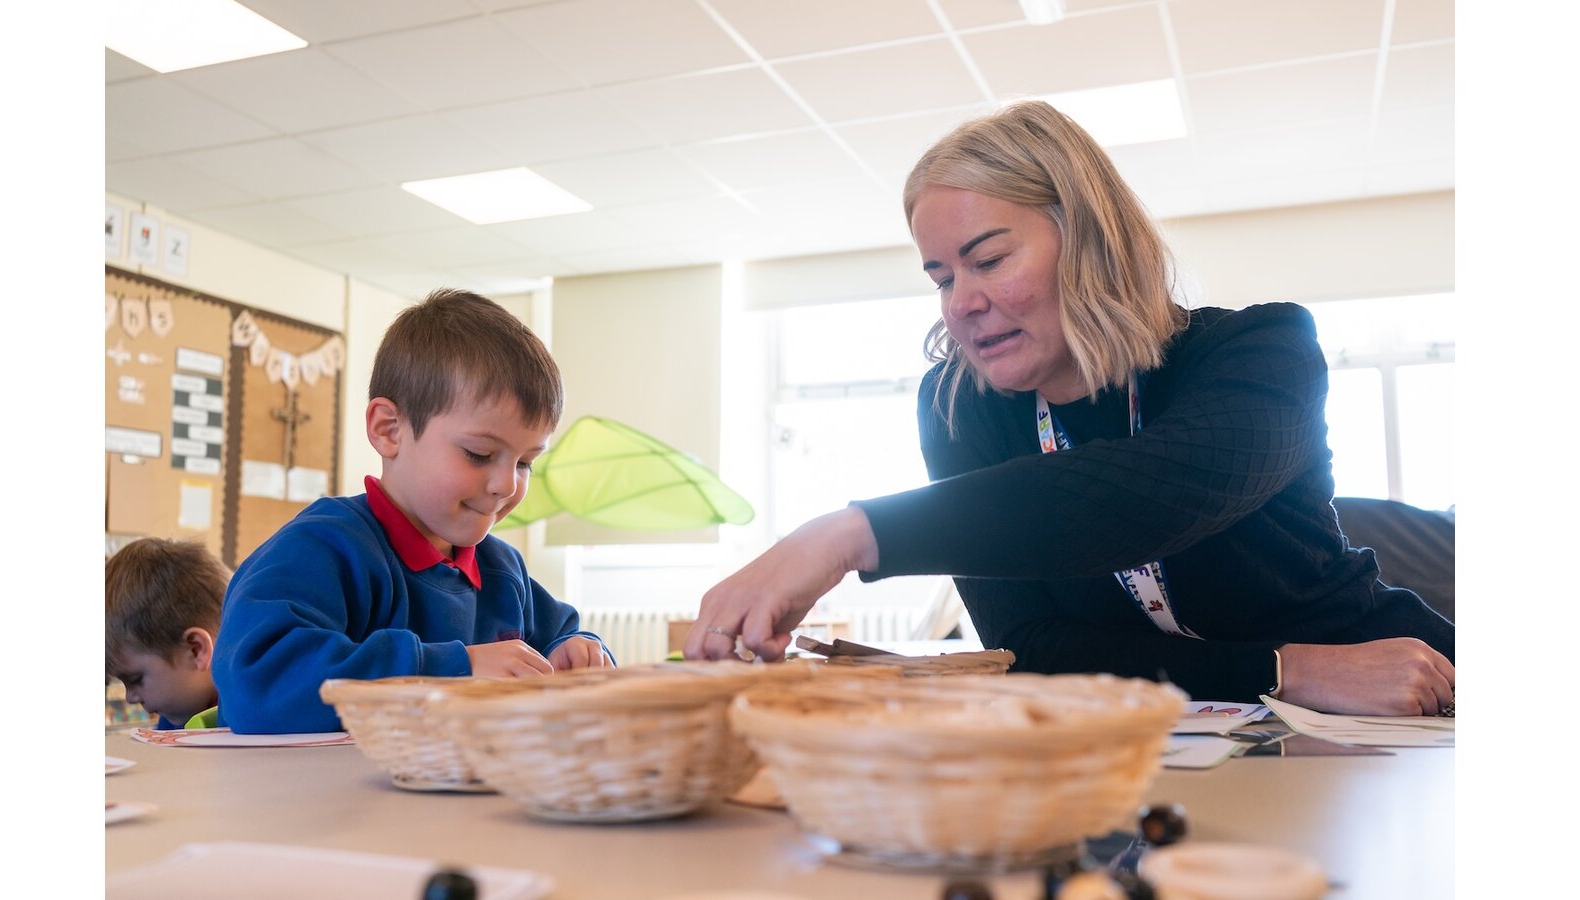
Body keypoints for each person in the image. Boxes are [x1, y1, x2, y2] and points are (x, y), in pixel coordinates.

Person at [687, 101, 1454, 716]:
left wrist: (849, 534)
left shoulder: (1258, 349)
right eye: (942, 277)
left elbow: (1153, 496)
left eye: (989, 260)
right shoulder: (960, 409)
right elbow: (1033, 648)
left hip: (1399, 688)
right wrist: (1283, 671)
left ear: (1087, 240)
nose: (962, 303)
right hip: (1184, 730)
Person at [214, 289, 613, 734]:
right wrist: (453, 671)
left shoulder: (502, 570)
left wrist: (579, 652)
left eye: (525, 463)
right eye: (480, 454)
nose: (506, 485)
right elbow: (257, 685)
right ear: (389, 430)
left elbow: (563, 636)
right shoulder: (323, 547)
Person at [106, 538, 229, 729]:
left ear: (196, 649)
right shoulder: (174, 717)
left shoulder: (248, 719)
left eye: (136, 680)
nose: (130, 698)